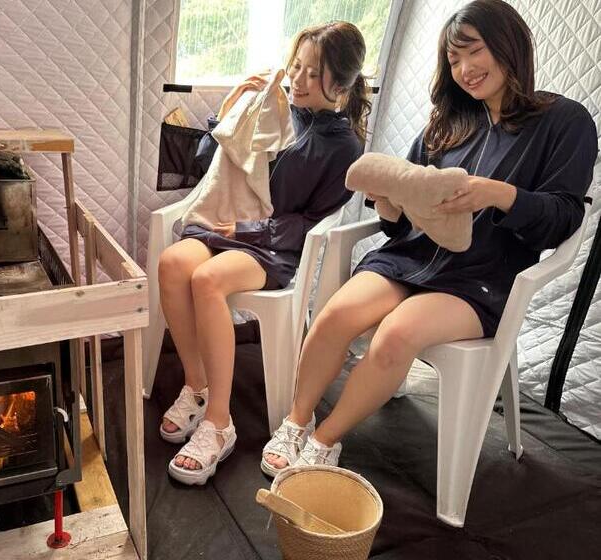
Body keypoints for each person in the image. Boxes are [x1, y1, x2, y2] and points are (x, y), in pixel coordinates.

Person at [262, 0, 598, 476]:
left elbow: (564, 217)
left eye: (474, 52)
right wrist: (389, 206)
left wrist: (497, 194)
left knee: (396, 334)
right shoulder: (447, 123)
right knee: (334, 314)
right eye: (454, 60)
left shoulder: (565, 121)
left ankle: (324, 440)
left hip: (480, 279)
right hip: (408, 259)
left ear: (508, 45)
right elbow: (402, 219)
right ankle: (297, 422)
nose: (464, 69)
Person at [158, 22, 369, 485]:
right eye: (296, 66)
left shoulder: (345, 148)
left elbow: (313, 223)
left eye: (313, 73)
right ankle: (196, 386)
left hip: (274, 247)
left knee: (207, 279)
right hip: (226, 229)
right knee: (172, 263)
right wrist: (230, 109)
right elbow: (208, 163)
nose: (297, 79)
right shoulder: (274, 107)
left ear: (340, 84)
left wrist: (247, 228)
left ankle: (219, 423)